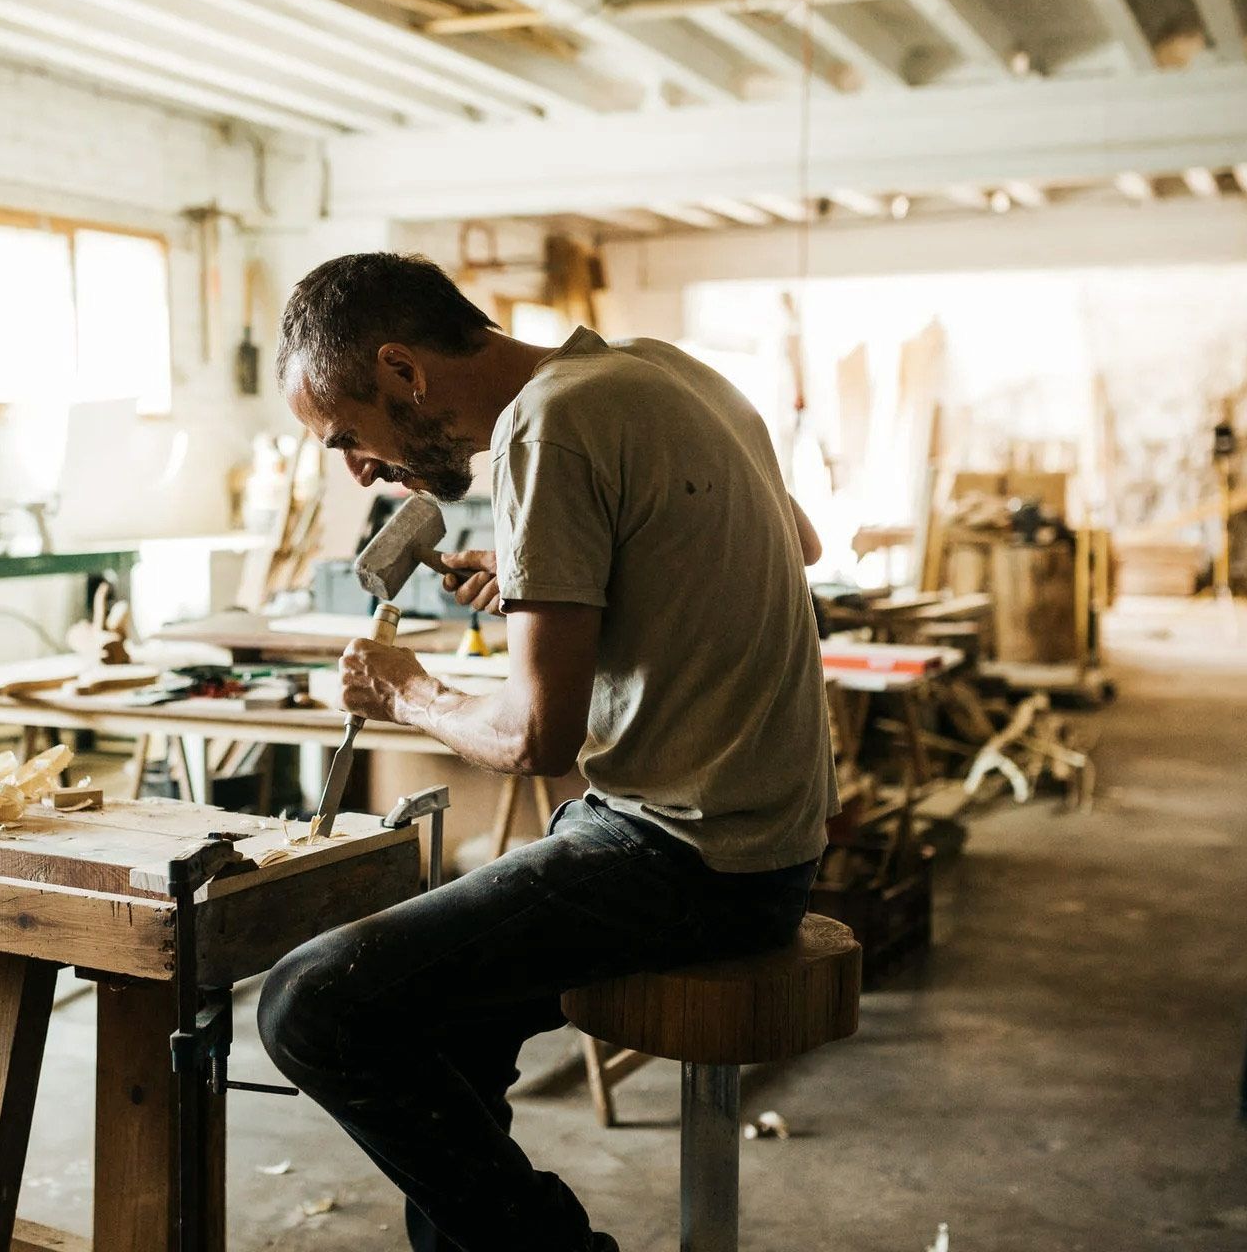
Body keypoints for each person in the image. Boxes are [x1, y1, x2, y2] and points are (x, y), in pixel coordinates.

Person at [255, 252, 834, 1252]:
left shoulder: (544, 422)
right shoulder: (664, 370)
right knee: (440, 1032)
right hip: (770, 840)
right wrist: (548, 563)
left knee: (310, 1003)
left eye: (349, 435)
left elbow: (535, 735)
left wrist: (405, 687)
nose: (358, 470)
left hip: (685, 854)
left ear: (402, 368)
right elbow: (801, 538)